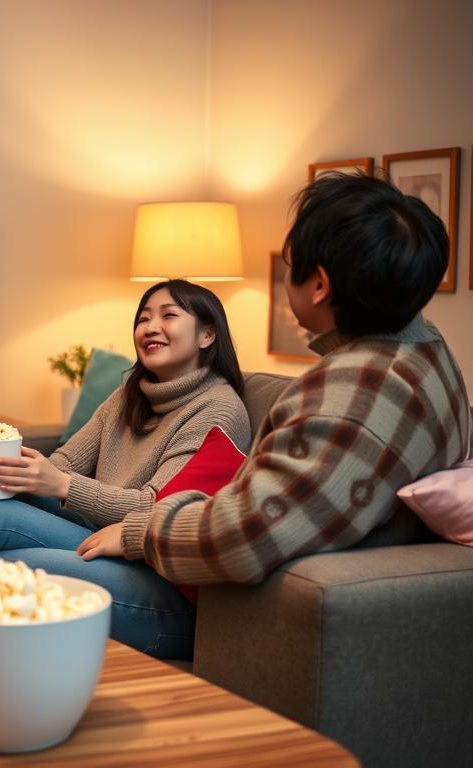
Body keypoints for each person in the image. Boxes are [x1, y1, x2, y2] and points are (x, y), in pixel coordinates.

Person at [0, 280, 251, 658]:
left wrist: (62, 485)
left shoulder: (216, 410)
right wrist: (14, 468)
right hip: (97, 540)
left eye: (169, 315)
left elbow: (153, 508)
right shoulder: (131, 394)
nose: (150, 327)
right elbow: (66, 462)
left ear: (207, 334)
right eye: (143, 318)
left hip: (159, 586)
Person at [125, 172, 471, 587]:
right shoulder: (428, 350)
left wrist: (141, 532)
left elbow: (238, 541)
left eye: (291, 266)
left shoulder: (353, 397)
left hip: (217, 598)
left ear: (319, 285)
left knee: (34, 557)